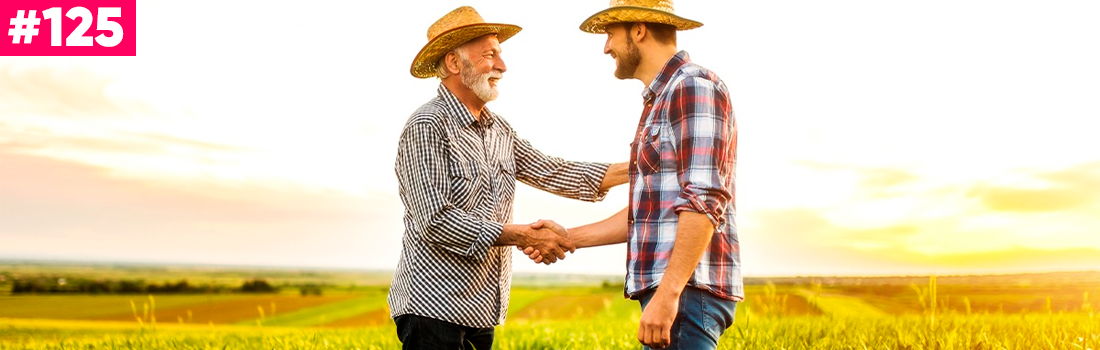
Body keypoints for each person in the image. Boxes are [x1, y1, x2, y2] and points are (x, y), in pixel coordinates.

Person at [390, 6, 628, 350]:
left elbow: (553, 170)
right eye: (490, 54)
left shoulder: (499, 129)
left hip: (481, 310)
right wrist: (522, 235)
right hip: (432, 309)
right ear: (455, 63)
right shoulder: (427, 126)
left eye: (500, 54)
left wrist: (640, 165)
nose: (502, 65)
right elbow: (435, 221)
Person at [524, 0, 740, 348]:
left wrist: (669, 294)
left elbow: (704, 199)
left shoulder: (692, 87)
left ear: (638, 30)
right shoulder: (661, 99)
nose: (606, 46)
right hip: (675, 293)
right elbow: (648, 213)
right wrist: (568, 238)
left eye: (610, 33)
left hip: (683, 293)